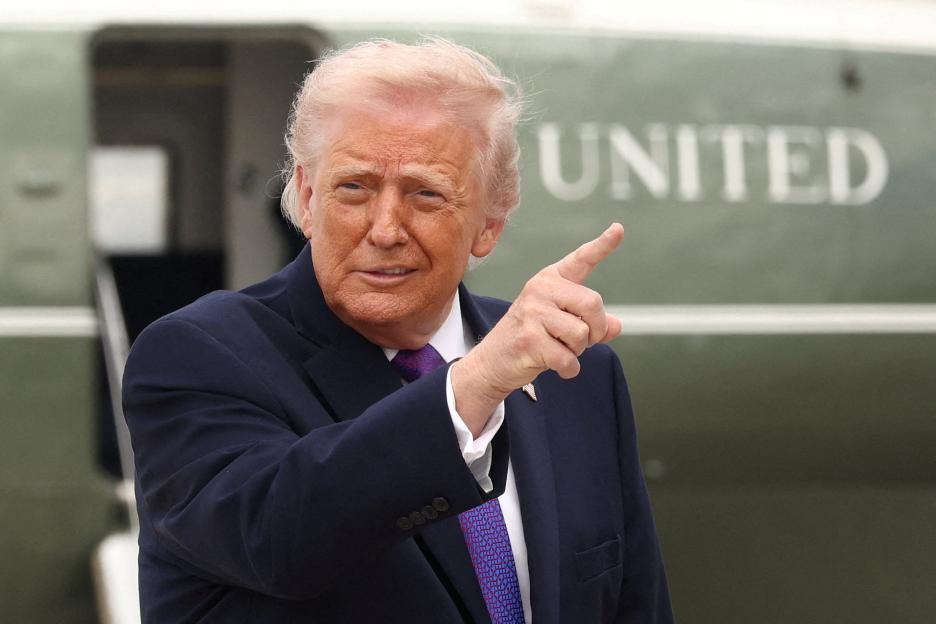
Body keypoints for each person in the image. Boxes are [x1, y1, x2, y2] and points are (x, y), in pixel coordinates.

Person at [123, 37, 673, 624]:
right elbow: (276, 536)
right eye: (354, 188)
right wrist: (476, 386)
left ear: (488, 225)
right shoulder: (197, 355)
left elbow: (634, 602)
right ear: (306, 198)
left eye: (425, 194)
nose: (385, 229)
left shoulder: (575, 374)